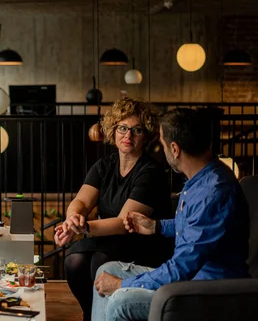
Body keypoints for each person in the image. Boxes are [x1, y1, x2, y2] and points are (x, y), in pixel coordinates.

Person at [92, 108, 250, 321]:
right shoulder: (200, 179)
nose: (162, 152)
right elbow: (196, 225)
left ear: (174, 149)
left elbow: (182, 266)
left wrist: (121, 284)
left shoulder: (214, 191)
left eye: (164, 145)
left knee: (121, 300)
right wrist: (157, 226)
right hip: (190, 279)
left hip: (208, 292)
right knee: (107, 269)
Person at [54, 98, 174, 320]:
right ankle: (91, 314)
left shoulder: (150, 172)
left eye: (136, 130)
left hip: (142, 242)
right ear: (113, 130)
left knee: (101, 262)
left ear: (146, 135)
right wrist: (72, 219)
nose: (128, 135)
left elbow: (122, 224)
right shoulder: (104, 165)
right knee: (74, 260)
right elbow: (81, 201)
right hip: (108, 237)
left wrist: (82, 227)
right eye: (122, 128)